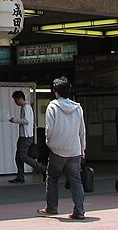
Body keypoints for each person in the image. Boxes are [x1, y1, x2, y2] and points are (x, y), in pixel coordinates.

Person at [37, 76, 87, 220]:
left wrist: (49, 143)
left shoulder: (52, 106)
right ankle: (80, 210)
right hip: (75, 150)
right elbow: (82, 131)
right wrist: (82, 149)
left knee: (52, 177)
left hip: (58, 150)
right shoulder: (78, 108)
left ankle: (52, 207)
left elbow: (49, 129)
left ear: (56, 92)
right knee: (76, 181)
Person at [8, 90, 44, 183]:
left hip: (25, 136)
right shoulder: (24, 107)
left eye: (16, 100)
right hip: (24, 135)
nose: (15, 102)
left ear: (21, 99)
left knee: (23, 156)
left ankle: (42, 168)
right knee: (18, 157)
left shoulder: (26, 107)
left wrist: (15, 120)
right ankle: (20, 176)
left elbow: (26, 121)